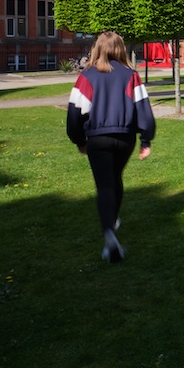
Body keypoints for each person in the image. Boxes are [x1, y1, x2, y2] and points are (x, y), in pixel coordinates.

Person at [66, 31, 155, 263]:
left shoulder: (87, 77)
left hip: (98, 138)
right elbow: (143, 108)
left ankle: (109, 233)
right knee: (115, 178)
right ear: (120, 49)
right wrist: (146, 139)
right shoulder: (131, 75)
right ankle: (112, 221)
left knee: (105, 184)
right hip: (125, 138)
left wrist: (79, 140)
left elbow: (75, 113)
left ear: (97, 48)